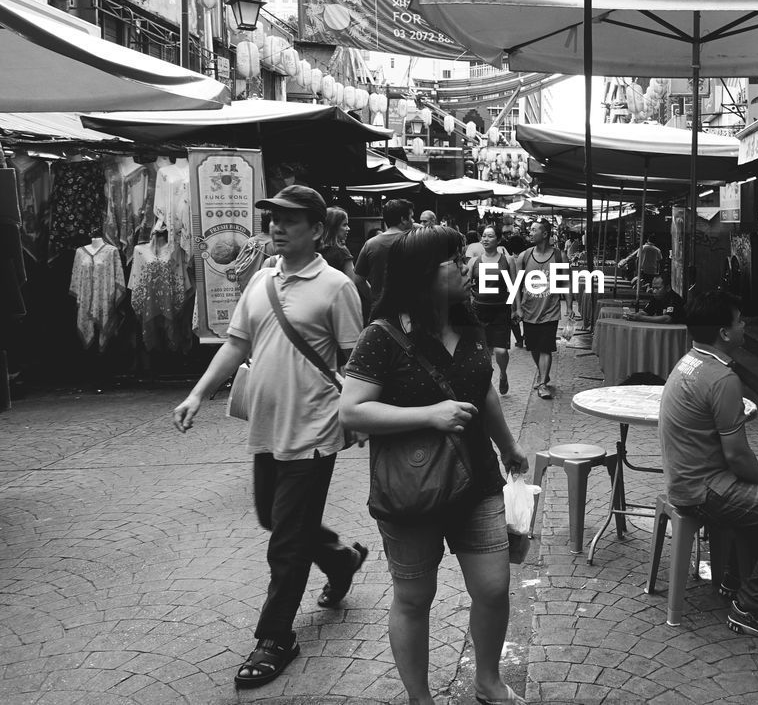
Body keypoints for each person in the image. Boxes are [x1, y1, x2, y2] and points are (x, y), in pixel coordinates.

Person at [172, 185, 367, 690]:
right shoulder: (259, 281)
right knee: (273, 517)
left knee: (285, 540)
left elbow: (355, 362)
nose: (277, 227)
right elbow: (237, 343)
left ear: (317, 229)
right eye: (273, 218)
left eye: (290, 220)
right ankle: (342, 559)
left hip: (316, 427)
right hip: (267, 425)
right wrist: (198, 394)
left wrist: (360, 416)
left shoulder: (336, 287)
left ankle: (276, 636)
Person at [338, 226, 528, 705]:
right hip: (410, 487)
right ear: (422, 273)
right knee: (414, 597)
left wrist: (507, 447)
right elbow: (352, 410)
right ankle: (420, 699)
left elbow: (482, 390)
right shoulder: (381, 336)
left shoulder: (470, 325)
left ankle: (488, 681)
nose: (466, 265)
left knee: (493, 585)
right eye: (453, 258)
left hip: (478, 478)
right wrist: (429, 415)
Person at [659, 290, 758, 641]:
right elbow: (738, 457)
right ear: (725, 333)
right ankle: (752, 607)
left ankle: (734, 575)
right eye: (740, 320)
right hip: (703, 487)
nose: (745, 325)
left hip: (691, 475)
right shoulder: (722, 379)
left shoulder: (689, 361)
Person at [513, 219, 571, 399]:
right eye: (530, 230)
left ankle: (543, 383)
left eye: (533, 230)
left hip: (550, 310)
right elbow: (516, 285)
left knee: (545, 347)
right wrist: (517, 308)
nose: (530, 233)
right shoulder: (524, 256)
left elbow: (567, 282)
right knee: (534, 348)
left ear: (545, 234)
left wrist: (569, 307)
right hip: (529, 310)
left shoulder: (559, 256)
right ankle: (542, 374)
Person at [469, 224, 516, 396]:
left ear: (498, 239)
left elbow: (513, 286)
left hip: (501, 311)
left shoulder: (507, 260)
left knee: (500, 350)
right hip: (479, 311)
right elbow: (467, 287)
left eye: (490, 236)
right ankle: (487, 385)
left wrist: (516, 309)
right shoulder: (474, 261)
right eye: (483, 236)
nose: (485, 239)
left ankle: (503, 374)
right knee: (484, 351)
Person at [355, 199, 415, 317]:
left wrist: (375, 299)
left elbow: (358, 280)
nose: (413, 221)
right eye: (411, 217)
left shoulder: (370, 244)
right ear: (403, 219)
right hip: (408, 312)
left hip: (380, 314)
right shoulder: (414, 242)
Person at [320, 207, 370, 314]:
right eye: (344, 225)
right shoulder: (341, 252)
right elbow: (352, 283)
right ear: (333, 227)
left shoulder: (315, 250)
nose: (348, 228)